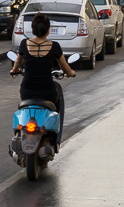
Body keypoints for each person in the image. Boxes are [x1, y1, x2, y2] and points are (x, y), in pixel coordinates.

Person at [10, 14, 75, 144]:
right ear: (48, 29)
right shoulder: (54, 46)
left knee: (24, 108)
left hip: (27, 91)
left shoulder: (24, 44)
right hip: (48, 92)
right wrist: (71, 73)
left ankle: (20, 134)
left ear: (33, 29)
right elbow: (66, 69)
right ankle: (53, 139)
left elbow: (17, 64)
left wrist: (14, 70)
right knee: (56, 106)